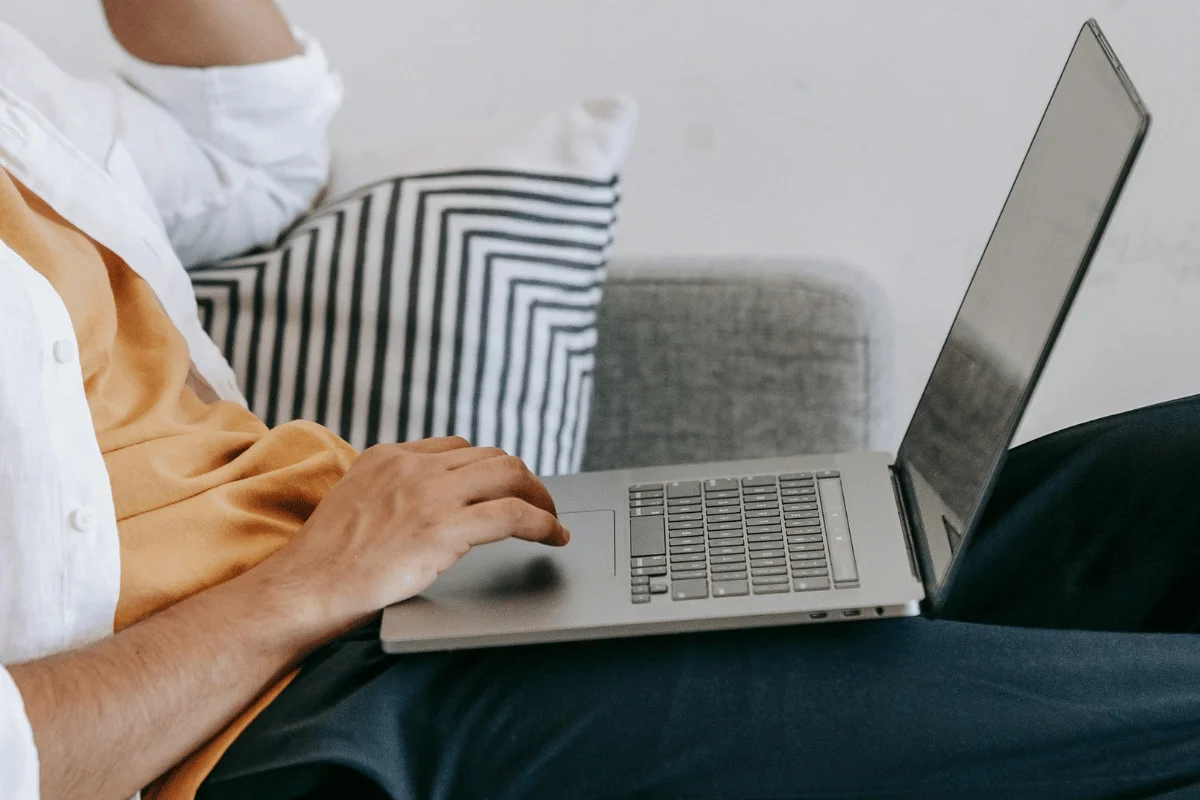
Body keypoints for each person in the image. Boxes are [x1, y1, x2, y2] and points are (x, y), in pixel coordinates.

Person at [1, 3, 1198, 799]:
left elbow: (255, 152)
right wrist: (304, 586)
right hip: (272, 733)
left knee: (1158, 479)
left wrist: (349, 569)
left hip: (402, 594)